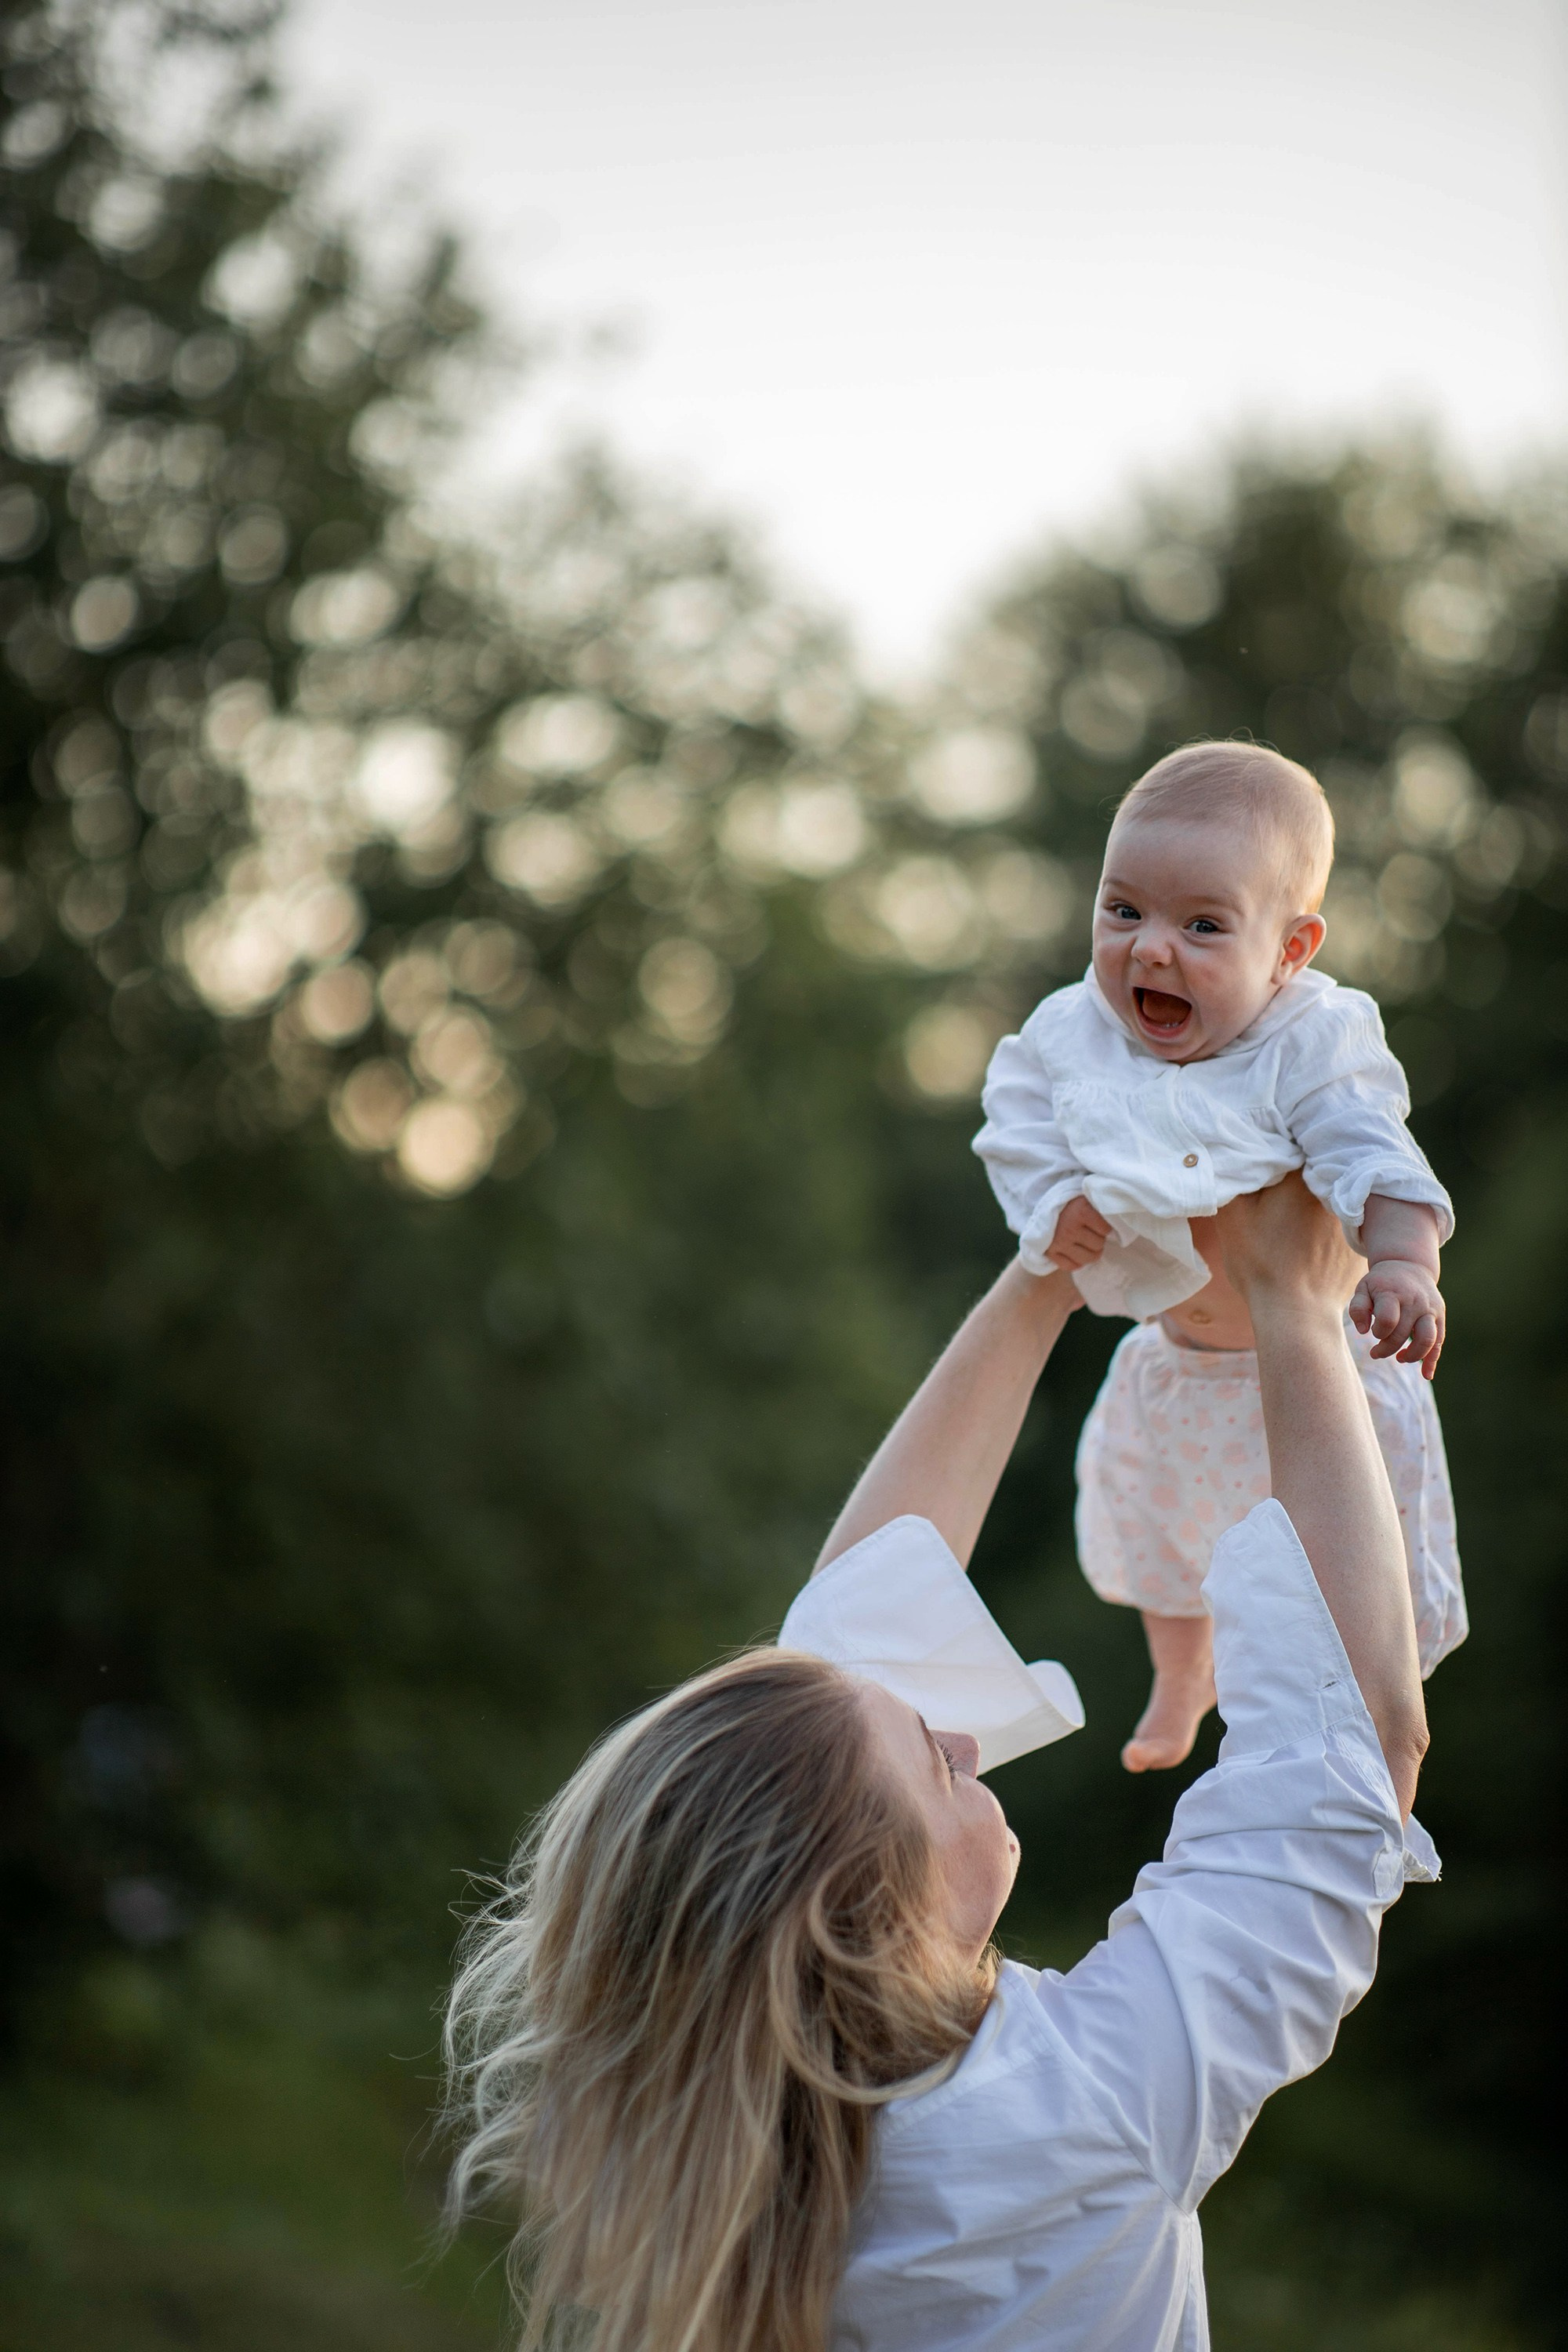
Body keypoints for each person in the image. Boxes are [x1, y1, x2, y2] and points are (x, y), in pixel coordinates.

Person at [441, 1176, 1437, 2352]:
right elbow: (1350, 1751)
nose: (968, 1743)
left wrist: (1049, 1275)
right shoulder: (1076, 2117)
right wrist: (1295, 1302)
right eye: (937, 1760)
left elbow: (853, 1660)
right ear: (872, 1922)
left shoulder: (732, 2166)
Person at [973, 739, 1466, 1773]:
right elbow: (1015, 1118)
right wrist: (1051, 1196)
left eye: (1203, 925)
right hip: (1175, 1368)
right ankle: (1179, 1673)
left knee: (1339, 1578)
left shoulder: (1310, 1042)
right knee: (1162, 1542)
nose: (1151, 951)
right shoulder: (1073, 1032)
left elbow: (1370, 1148)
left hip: (1313, 1372)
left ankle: (1371, 1726)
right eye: (1124, 911)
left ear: (1290, 951)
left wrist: (1404, 1263)